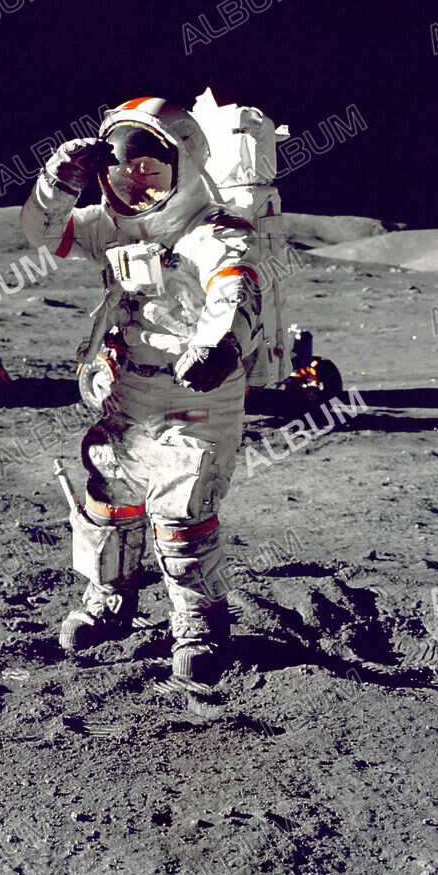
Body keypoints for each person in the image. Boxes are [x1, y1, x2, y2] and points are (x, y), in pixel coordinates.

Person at [20, 97, 266, 684]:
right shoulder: (109, 225)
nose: (135, 180)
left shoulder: (214, 230)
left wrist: (221, 344)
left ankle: (200, 621)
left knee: (181, 509)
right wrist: (57, 184)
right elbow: (40, 233)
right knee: (110, 495)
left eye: (151, 168)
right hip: (127, 391)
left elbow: (237, 287)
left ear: (183, 165)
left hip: (198, 392)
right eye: (122, 169)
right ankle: (110, 601)